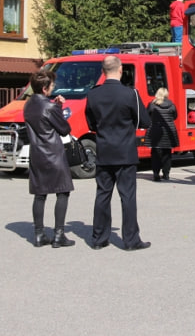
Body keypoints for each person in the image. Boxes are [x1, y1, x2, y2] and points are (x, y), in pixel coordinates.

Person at [85, 55, 152, 250]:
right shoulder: (130, 93)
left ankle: (98, 239)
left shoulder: (93, 94)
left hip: (104, 150)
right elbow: (144, 122)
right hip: (125, 152)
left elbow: (91, 124)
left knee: (102, 195)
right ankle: (131, 240)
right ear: (121, 70)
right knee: (127, 197)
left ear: (103, 71)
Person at [23, 70, 75, 248]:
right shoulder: (50, 107)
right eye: (51, 85)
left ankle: (39, 234)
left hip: (37, 153)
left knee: (40, 194)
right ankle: (59, 234)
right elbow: (64, 129)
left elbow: (42, 119)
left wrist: (56, 106)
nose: (53, 88)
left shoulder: (28, 105)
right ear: (45, 88)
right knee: (62, 191)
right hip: (53, 153)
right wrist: (59, 108)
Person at [147, 87, 179, 181]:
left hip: (156, 131)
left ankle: (156, 175)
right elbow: (175, 116)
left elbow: (147, 115)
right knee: (167, 154)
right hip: (168, 132)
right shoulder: (171, 105)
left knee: (155, 154)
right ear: (166, 95)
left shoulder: (152, 105)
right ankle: (166, 174)